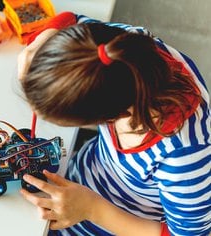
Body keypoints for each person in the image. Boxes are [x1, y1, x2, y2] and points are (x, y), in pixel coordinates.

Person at [17, 12, 210, 236]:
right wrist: (39, 43)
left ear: (108, 116)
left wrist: (91, 208)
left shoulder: (185, 156)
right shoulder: (121, 47)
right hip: (80, 179)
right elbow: (71, 19)